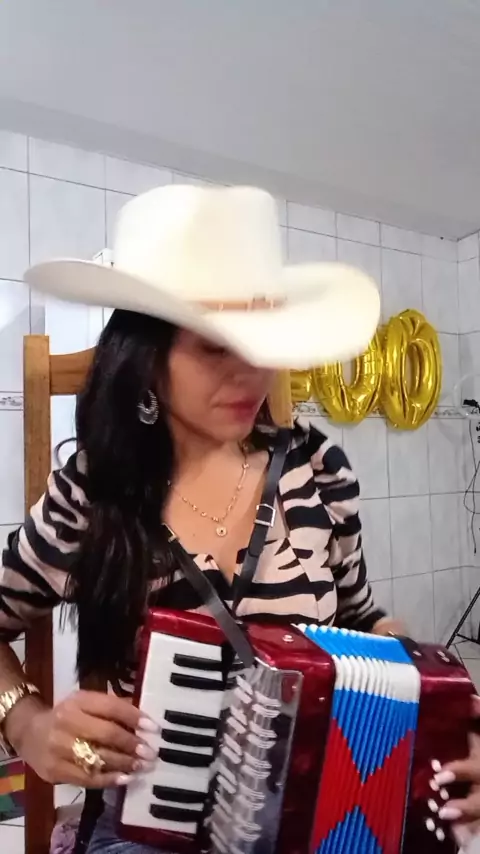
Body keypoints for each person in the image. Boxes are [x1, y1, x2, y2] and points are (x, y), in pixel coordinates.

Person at [0, 184, 472, 852]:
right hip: (151, 825)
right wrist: (27, 724)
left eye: (261, 340)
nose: (253, 372)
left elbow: (361, 622)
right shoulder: (91, 491)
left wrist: (443, 714)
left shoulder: (318, 469)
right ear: (146, 358)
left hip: (317, 812)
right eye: (216, 346)